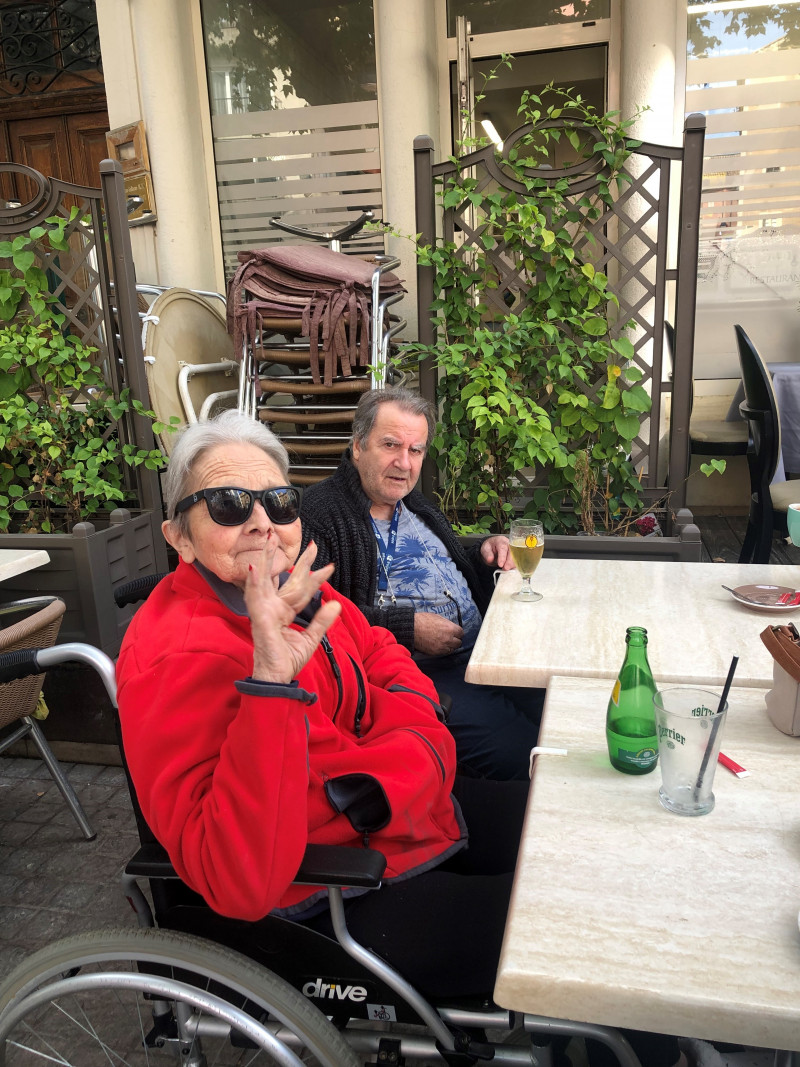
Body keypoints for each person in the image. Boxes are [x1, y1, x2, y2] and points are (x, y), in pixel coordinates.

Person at [115, 410, 685, 1066]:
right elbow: (237, 875)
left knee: (592, 829)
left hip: (399, 814)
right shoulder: (176, 654)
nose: (261, 521)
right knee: (588, 921)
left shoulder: (292, 589)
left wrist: (402, 755)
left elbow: (392, 662)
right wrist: (271, 685)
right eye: (225, 502)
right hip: (330, 891)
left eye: (277, 500)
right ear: (178, 537)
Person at [300, 386, 544, 781]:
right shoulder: (319, 514)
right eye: (391, 445)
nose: (404, 462)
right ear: (358, 445)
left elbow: (452, 569)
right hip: (421, 675)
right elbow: (308, 611)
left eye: (416, 451)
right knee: (527, 754)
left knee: (564, 713)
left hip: (485, 655)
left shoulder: (415, 505)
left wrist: (488, 553)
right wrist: (405, 629)